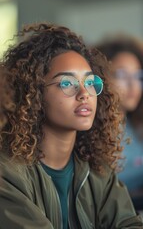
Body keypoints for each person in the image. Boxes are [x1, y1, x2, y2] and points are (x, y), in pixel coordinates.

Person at [0, 23, 142, 229]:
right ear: (33, 94)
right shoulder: (7, 173)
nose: (84, 93)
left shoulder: (97, 169)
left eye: (90, 82)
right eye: (67, 83)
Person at [95, 35, 143, 211]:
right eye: (122, 75)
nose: (133, 85)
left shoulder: (136, 128)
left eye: (138, 76)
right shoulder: (89, 135)